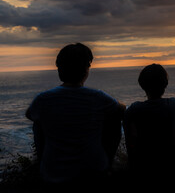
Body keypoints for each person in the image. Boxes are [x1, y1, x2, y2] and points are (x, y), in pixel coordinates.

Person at [26, 43, 125, 188]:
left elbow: (30, 114)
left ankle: (41, 162)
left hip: (53, 174)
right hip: (93, 172)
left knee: (38, 123)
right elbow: (122, 110)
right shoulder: (97, 97)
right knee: (113, 117)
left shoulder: (43, 99)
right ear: (86, 70)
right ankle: (108, 163)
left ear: (59, 70)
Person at [123, 64, 175, 175]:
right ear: (165, 84)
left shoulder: (135, 108)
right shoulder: (173, 104)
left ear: (142, 85)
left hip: (143, 164)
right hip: (171, 163)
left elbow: (125, 117)